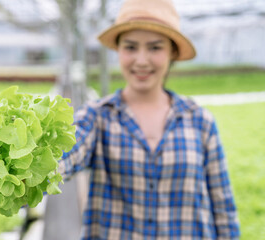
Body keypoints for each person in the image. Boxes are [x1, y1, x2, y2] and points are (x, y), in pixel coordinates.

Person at [58, 0, 240, 239]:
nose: (141, 60)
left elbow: (223, 206)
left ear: (172, 52)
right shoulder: (97, 116)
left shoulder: (199, 120)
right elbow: (68, 153)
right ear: (118, 50)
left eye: (155, 48)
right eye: (131, 47)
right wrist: (28, 171)